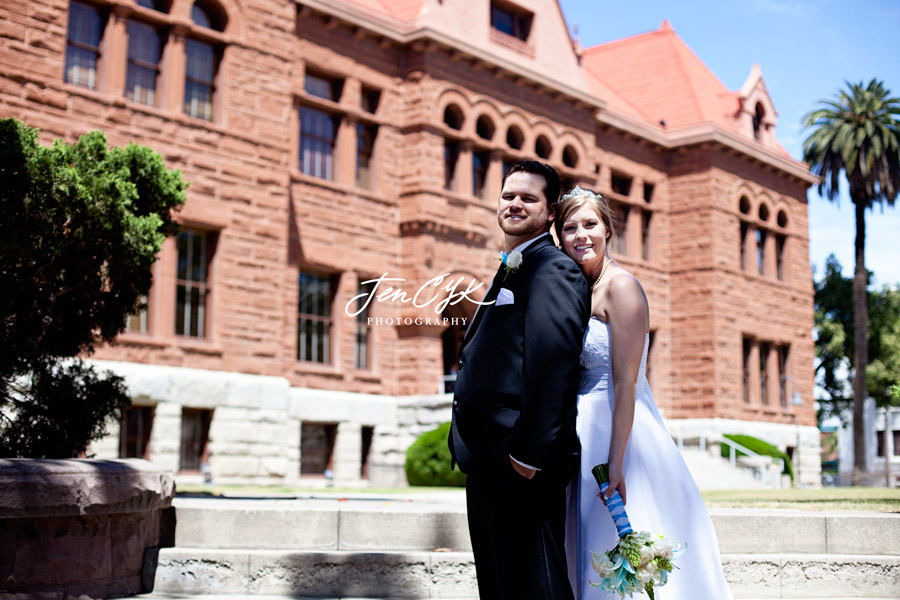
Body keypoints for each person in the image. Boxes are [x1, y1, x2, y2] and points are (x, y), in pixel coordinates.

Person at [555, 186, 733, 599]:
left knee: (616, 535)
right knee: (583, 543)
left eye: (589, 224)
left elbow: (626, 383)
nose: (581, 235)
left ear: (607, 230)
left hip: (617, 428)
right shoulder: (579, 289)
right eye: (569, 227)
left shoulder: (622, 288)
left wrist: (617, 461)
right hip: (580, 429)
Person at [449, 161, 591, 599]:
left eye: (528, 198)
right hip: (487, 459)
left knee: (536, 587)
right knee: (499, 587)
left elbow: (553, 367)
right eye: (509, 195)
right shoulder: (511, 267)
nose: (514, 204)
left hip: (520, 463)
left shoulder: (553, 270)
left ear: (550, 213)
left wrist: (528, 456)